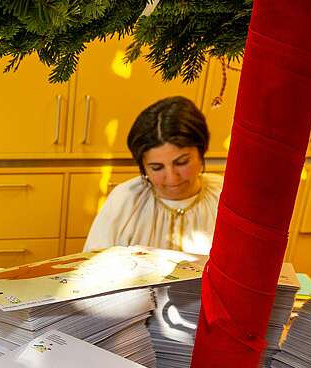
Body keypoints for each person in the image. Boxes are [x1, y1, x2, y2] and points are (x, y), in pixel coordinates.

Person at [84, 96, 223, 255]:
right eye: (156, 168)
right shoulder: (125, 200)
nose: (172, 178)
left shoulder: (226, 196)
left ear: (201, 151)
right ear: (143, 166)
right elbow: (94, 266)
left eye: (182, 162)